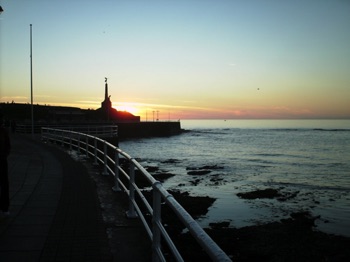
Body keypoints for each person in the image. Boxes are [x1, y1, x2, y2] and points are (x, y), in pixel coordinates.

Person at [0, 112, 11, 216]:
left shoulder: (4, 132)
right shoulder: (4, 132)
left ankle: (4, 207)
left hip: (2, 160)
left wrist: (5, 154)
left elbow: (8, 146)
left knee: (4, 184)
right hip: (3, 159)